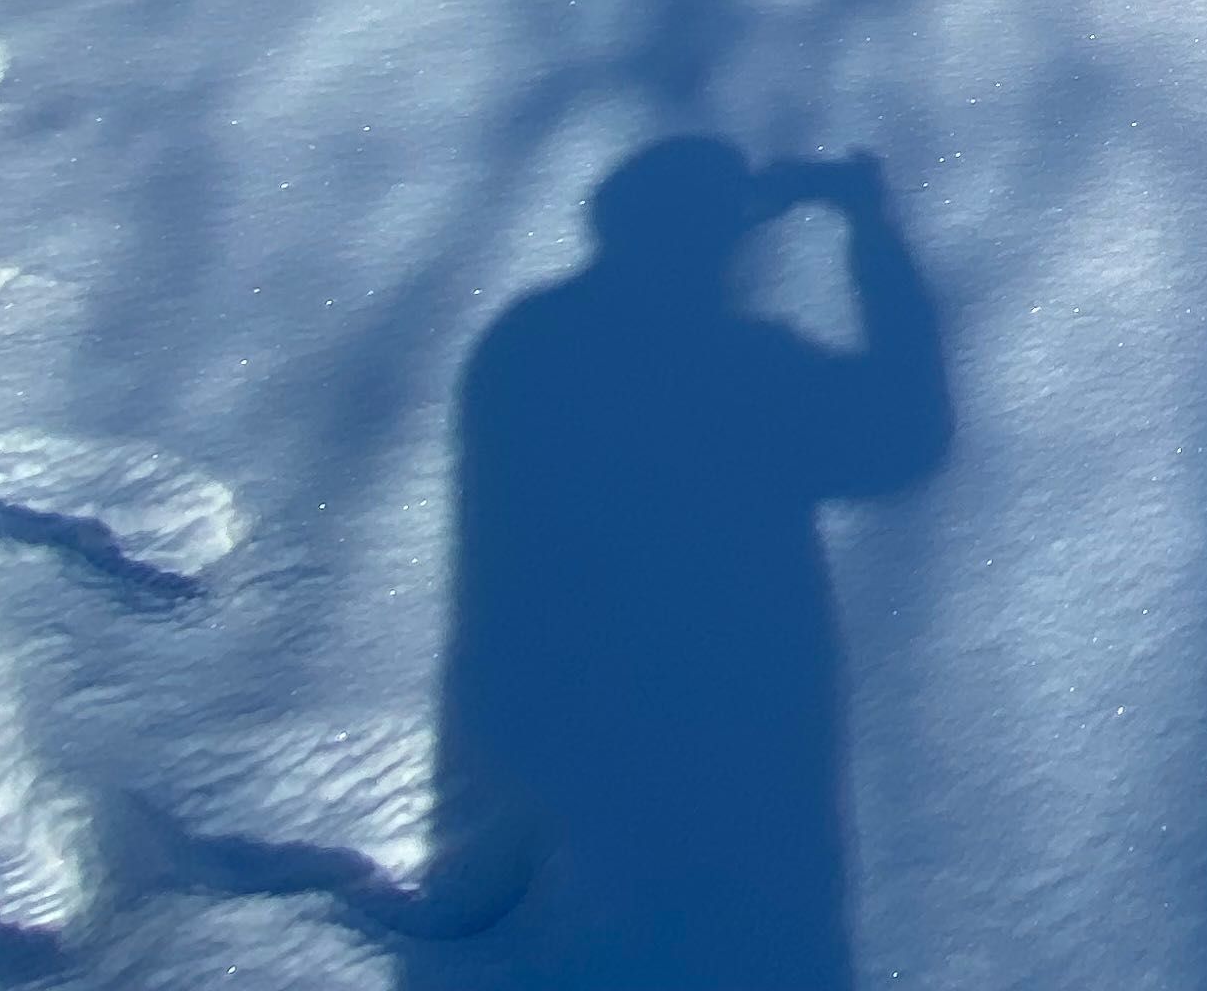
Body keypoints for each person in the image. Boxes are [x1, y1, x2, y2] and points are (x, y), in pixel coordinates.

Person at [403, 138, 949, 988]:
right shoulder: (742, 370)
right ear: (718, 235)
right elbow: (908, 431)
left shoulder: (523, 347)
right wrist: (869, 229)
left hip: (542, 761)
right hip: (735, 776)